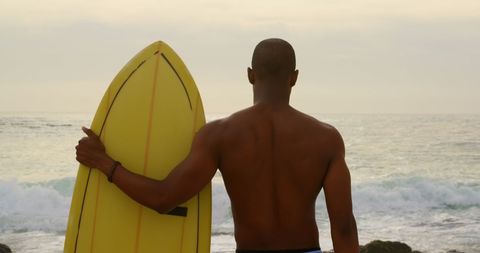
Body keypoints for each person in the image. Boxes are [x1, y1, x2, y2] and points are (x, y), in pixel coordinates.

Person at [76, 38, 359, 253]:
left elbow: (163, 198)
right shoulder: (326, 139)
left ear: (250, 74)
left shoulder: (221, 135)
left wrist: (103, 162)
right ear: (294, 78)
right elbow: (343, 227)